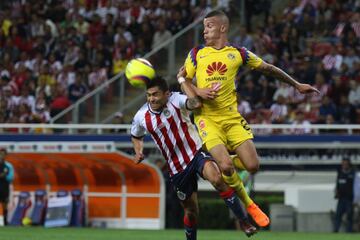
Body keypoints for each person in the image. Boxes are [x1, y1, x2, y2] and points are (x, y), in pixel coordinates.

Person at [182, 10, 320, 227]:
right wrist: (197, 92)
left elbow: (268, 69)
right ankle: (249, 204)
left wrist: (297, 85)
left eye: (209, 26)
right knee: (227, 166)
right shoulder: (196, 53)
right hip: (207, 119)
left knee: (253, 165)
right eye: (204, 26)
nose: (204, 30)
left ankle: (218, 164)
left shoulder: (238, 53)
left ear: (222, 28)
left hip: (232, 118)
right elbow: (183, 78)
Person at [131, 75, 257, 239]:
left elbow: (195, 103)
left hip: (196, 152)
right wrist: (138, 151)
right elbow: (136, 135)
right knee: (191, 211)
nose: (151, 99)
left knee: (217, 179)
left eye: (155, 94)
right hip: (176, 168)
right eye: (149, 95)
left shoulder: (176, 99)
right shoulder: (141, 116)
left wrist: (184, 81)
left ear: (167, 94)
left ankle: (244, 221)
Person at [334, 157, 356, 233]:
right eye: (343, 163)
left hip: (349, 199)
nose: (344, 165)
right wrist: (336, 191)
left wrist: (356, 199)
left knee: (349, 216)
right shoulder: (340, 173)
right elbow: (337, 184)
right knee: (338, 215)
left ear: (349, 164)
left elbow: (356, 186)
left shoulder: (353, 174)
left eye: (346, 163)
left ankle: (349, 232)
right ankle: (335, 230)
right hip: (341, 198)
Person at [0, 148, 14, 225]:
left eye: (3, 154)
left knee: (5, 204)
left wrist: (5, 176)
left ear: (6, 155)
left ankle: (5, 221)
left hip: (4, 187)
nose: (2, 155)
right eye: (0, 153)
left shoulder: (9, 165)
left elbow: (11, 178)